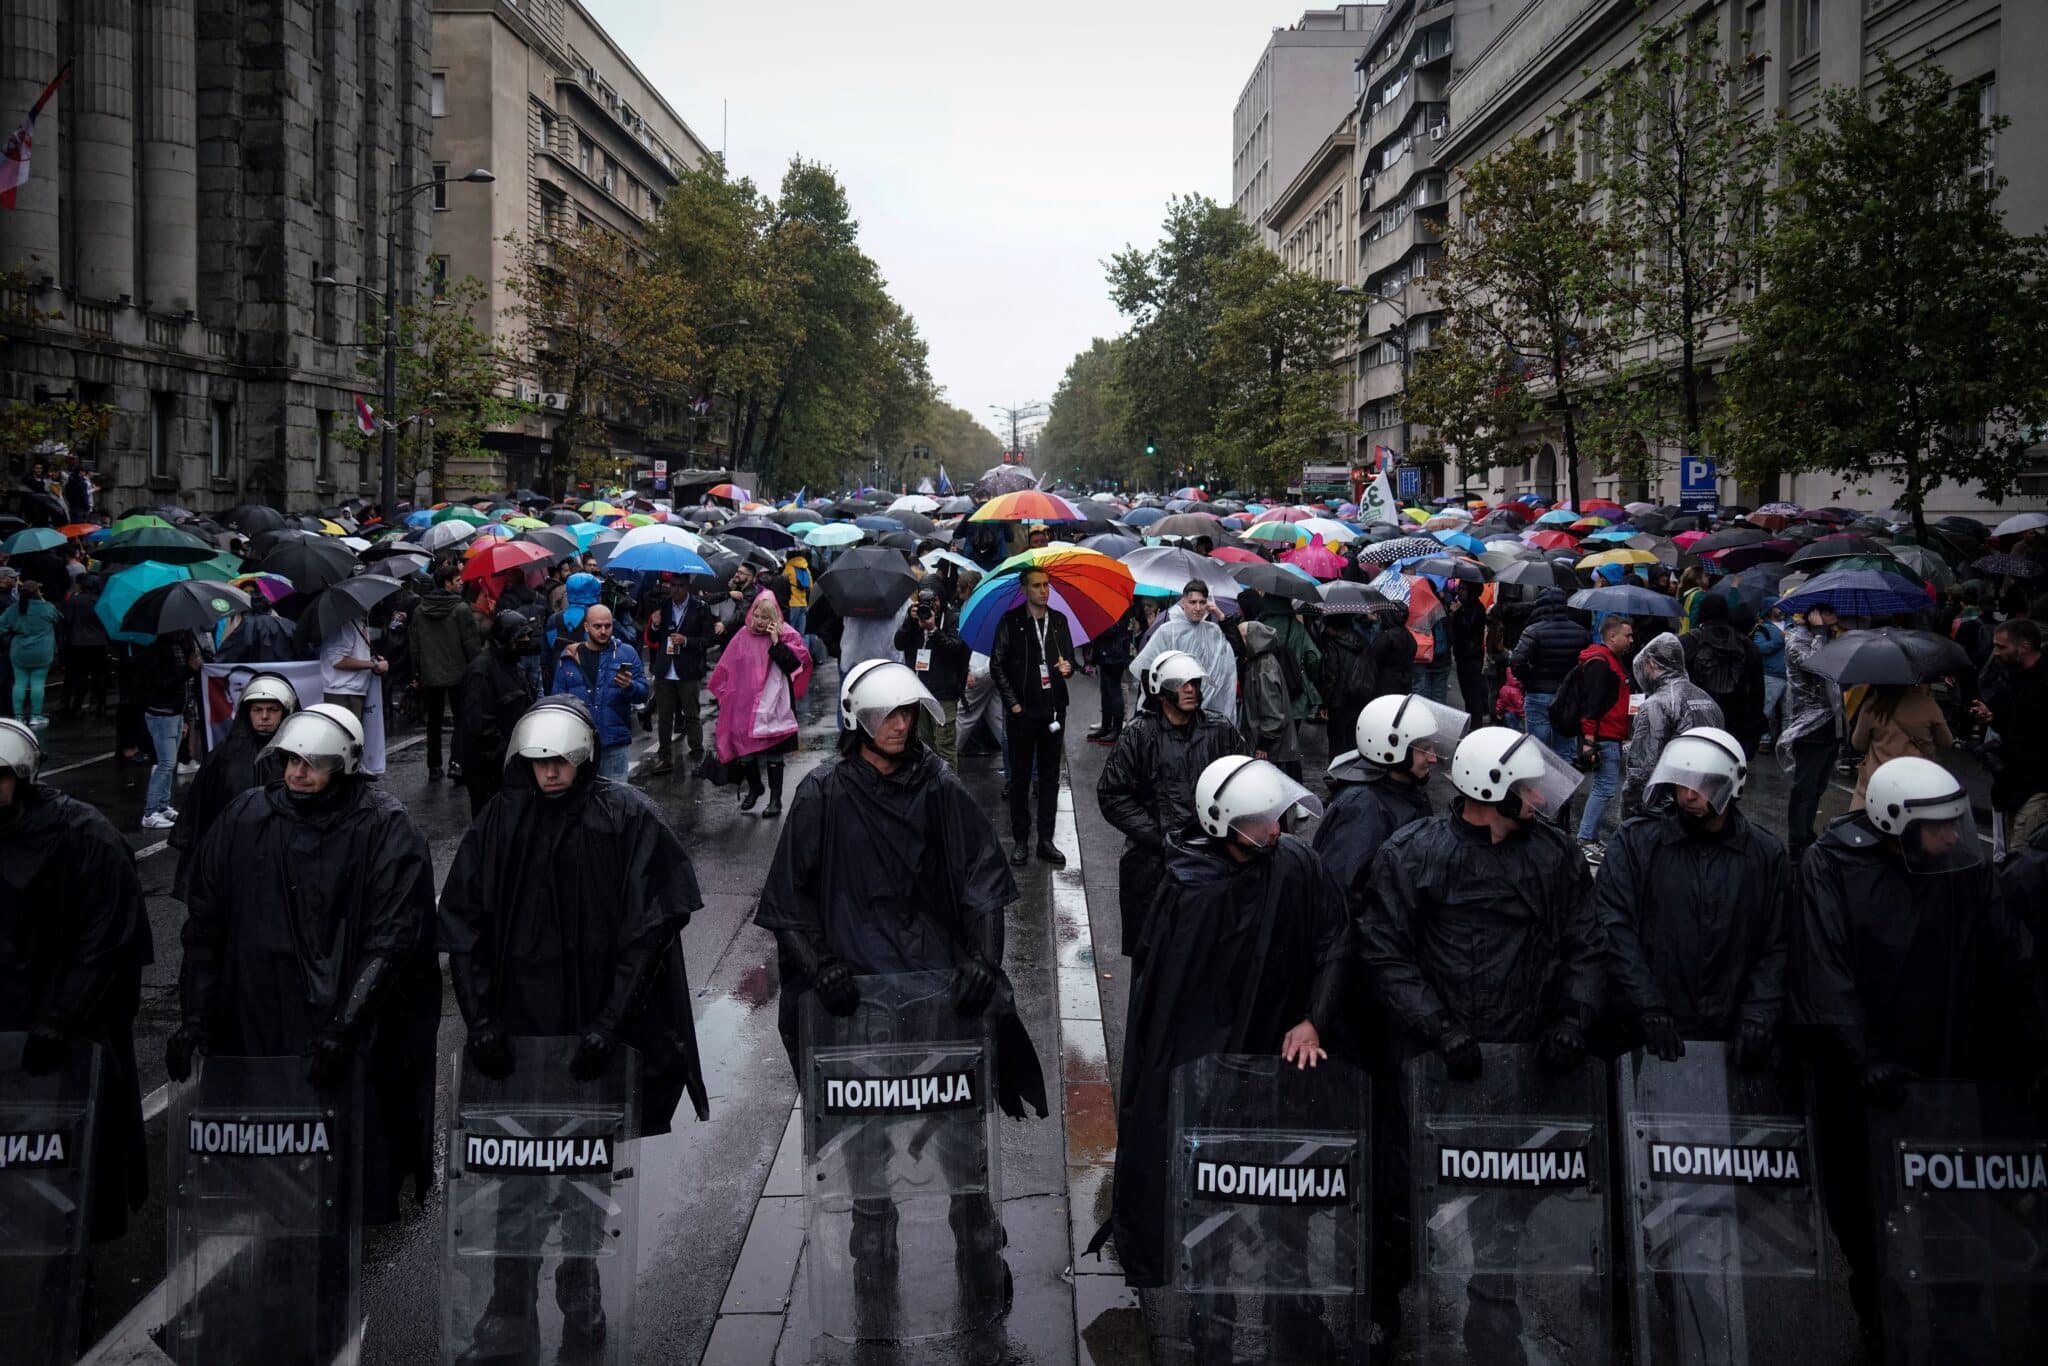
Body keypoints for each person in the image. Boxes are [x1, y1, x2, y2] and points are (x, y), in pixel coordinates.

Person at [755, 661, 1045, 1308]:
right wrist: (818, 964)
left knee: (960, 1137)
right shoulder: (823, 794)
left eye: (909, 713)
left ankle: (978, 1243)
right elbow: (789, 904)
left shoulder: (939, 787)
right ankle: (871, 1260)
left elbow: (982, 884)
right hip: (857, 999)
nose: (901, 724)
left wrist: (984, 963)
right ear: (859, 718)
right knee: (865, 1146)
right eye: (889, 714)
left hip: (936, 991)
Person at [438, 696, 709, 1357]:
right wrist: (481, 1022)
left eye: (559, 760)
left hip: (592, 1032)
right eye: (538, 762)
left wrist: (610, 1025)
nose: (549, 773)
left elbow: (650, 930)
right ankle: (507, 1306)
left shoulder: (625, 818)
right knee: (514, 1173)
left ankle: (581, 1293)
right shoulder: (500, 823)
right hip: (520, 1033)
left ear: (582, 756)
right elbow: (464, 926)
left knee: (585, 1171)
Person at [1358, 726, 1600, 1360]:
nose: (1541, 798)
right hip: (1436, 1063)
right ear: (1490, 788)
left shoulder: (1554, 855)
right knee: (1406, 1191)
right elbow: (1384, 951)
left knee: (1505, 1196)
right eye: (1526, 787)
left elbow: (1583, 942)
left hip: (1519, 1056)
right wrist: (1438, 1029)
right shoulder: (1415, 853)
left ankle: (1492, 1307)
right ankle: (1384, 1304)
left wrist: (1572, 1016)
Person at [1795, 756, 2046, 1345]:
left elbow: (2010, 956)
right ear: (1894, 822)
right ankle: (1878, 1326)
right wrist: (1861, 1057)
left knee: (1955, 1213)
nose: (1953, 834)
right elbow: (1826, 971)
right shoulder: (1832, 865)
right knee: (1864, 1213)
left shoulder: (1964, 870)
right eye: (1938, 825)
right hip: (1871, 1079)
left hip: (1946, 1070)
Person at [171, 703, 440, 1224]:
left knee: (343, 1166)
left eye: (312, 762)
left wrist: (345, 1026)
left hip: (338, 1028)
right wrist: (195, 1015)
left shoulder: (384, 827)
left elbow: (393, 938)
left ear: (344, 764)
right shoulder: (247, 816)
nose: (297, 771)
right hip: (258, 1013)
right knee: (264, 1159)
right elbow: (205, 924)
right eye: (291, 759)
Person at [1107, 756, 1347, 1297]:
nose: (1277, 829)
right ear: (1227, 825)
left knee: (1282, 1190)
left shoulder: (1295, 865)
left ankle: (1288, 1295)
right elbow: (1169, 1007)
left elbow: (1334, 939)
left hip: (1279, 1059)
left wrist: (1314, 1018)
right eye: (1263, 820)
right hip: (1208, 1070)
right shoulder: (1191, 889)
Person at [0, 717, 153, 1245]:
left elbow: (110, 937)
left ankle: (77, 1264)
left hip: (70, 1025)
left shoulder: (84, 835)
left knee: (77, 1148)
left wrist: (62, 1017)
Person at [1595, 726, 1789, 1065]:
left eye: (1703, 783)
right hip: (1650, 1038)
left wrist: (1758, 1013)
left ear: (1731, 785)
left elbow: (1778, 942)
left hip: (1732, 1041)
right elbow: (1613, 926)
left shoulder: (1765, 855)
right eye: (1681, 781)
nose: (1689, 795)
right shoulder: (1636, 842)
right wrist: (1647, 1005)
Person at [1095, 650, 1248, 960]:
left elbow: (1242, 782)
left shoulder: (1219, 730)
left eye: (1194, 682)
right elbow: (1112, 794)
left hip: (1211, 860)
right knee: (1154, 959)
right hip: (1154, 867)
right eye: (1181, 683)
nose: (1190, 689)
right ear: (1161, 690)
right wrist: (1158, 835)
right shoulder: (1138, 734)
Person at [168, 672, 298, 900]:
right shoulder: (223, 757)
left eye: (273, 710)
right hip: (234, 858)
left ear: (286, 711)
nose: (265, 717)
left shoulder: (299, 756)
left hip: (286, 860)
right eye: (258, 710)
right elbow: (200, 813)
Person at [990, 566, 1075, 867]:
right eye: (1037, 585)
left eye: (1046, 585)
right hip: (1022, 712)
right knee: (1020, 778)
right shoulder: (1012, 622)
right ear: (1024, 589)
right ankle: (1021, 840)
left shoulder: (1059, 621)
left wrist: (1068, 668)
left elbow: (1069, 661)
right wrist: (1013, 704)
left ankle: (1046, 839)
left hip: (1053, 710)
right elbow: (996, 665)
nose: (1043, 590)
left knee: (1050, 777)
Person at [706, 592, 812, 816]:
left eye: (766, 617)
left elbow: (795, 666)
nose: (760, 621)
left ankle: (775, 800)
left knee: (774, 753)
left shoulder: (787, 635)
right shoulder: (743, 635)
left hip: (774, 705)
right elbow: (728, 665)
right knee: (745, 751)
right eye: (757, 615)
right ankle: (755, 787)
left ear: (775, 617)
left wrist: (776, 643)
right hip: (745, 703)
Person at [1622, 630, 1725, 819]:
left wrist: (1630, 814)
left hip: (1667, 811)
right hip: (1705, 801)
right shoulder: (1706, 698)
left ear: (1652, 663)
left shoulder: (1656, 704)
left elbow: (1641, 769)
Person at [1971, 618, 2048, 852]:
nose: (1995, 653)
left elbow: (2030, 728)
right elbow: (2013, 722)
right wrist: (1991, 718)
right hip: (2011, 782)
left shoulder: (2042, 682)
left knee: (2022, 856)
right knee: (2010, 854)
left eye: (2001, 647)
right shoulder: (2013, 676)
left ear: (2023, 647)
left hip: (2037, 783)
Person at [455, 610, 540, 816]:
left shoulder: (513, 666)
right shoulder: (481, 672)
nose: (525, 641)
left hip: (511, 762)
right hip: (489, 768)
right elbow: (479, 725)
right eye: (519, 637)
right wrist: (506, 755)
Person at [549, 604, 648, 781]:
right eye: (597, 626)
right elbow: (558, 703)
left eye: (607, 626)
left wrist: (630, 686)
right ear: (586, 627)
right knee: (582, 803)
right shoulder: (568, 658)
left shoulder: (626, 653)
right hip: (579, 746)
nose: (603, 631)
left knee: (615, 802)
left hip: (614, 744)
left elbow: (643, 694)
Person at [1781, 603, 1846, 862]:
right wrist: (1820, 632)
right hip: (1809, 726)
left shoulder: (1832, 638)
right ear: (1815, 615)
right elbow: (1815, 665)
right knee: (1805, 786)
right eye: (1829, 612)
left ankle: (1806, 832)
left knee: (1818, 785)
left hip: (1831, 723)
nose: (1835, 616)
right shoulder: (1798, 639)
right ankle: (1798, 839)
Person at [410, 561, 481, 781]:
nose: (461, 584)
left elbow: (414, 644)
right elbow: (471, 644)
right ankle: (456, 762)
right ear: (447, 583)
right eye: (458, 580)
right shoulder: (460, 609)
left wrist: (416, 673)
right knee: (461, 719)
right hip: (459, 674)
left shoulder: (420, 610)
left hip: (430, 675)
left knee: (434, 721)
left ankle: (433, 766)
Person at [1573, 615, 1635, 862]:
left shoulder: (1612, 660)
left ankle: (1589, 837)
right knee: (1604, 788)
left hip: (1611, 734)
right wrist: (1589, 740)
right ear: (1612, 636)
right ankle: (1585, 839)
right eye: (1627, 635)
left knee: (1605, 788)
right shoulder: (1602, 663)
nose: (1631, 640)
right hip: (1604, 736)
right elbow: (1591, 704)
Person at [1128, 580, 1237, 720]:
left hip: (1203, 711)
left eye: (1202, 602)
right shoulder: (1168, 631)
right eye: (1192, 602)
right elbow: (1147, 671)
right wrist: (1163, 705)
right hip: (1171, 710)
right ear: (1183, 603)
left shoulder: (1213, 632)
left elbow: (1235, 651)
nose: (1198, 607)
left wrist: (1221, 617)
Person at [892, 584, 970, 766]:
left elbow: (954, 649)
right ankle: (929, 789)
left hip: (944, 693)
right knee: (923, 745)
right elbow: (898, 643)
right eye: (925, 601)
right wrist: (909, 623)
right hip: (919, 691)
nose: (930, 605)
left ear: (941, 600)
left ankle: (949, 791)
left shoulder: (953, 618)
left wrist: (934, 630)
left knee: (945, 746)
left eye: (934, 600)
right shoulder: (914, 617)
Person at [642, 577, 713, 774]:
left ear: (687, 587)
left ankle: (697, 755)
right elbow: (653, 640)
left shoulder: (700, 608)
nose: (676, 590)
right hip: (665, 670)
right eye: (672, 586)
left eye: (680, 586)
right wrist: (655, 625)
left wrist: (687, 641)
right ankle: (664, 757)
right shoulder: (662, 607)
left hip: (688, 670)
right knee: (664, 717)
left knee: (691, 715)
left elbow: (708, 638)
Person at [1681, 593, 1766, 757]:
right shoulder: (1746, 645)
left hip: (1698, 719)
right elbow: (1757, 689)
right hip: (1737, 720)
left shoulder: (1689, 641)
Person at [1508, 587, 1587, 758]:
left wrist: (1528, 679)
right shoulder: (1581, 633)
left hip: (1539, 693)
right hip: (1568, 697)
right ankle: (1564, 784)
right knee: (1565, 751)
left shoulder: (1533, 631)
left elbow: (1516, 661)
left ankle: (1538, 784)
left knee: (1537, 750)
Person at [1848, 683, 1953, 809]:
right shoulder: (1928, 705)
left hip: (1876, 783)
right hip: (1914, 786)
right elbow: (1946, 741)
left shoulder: (1874, 705)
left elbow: (1858, 744)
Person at [138, 630, 200, 831]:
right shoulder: (156, 652)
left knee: (169, 763)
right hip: (161, 713)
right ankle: (150, 812)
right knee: (165, 763)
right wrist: (189, 670)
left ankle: (162, 806)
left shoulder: (178, 646)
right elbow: (161, 684)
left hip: (174, 712)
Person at [0, 573, 62, 727]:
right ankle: (36, 716)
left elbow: (1, 627)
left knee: (19, 683)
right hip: (42, 651)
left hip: (19, 650)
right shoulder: (47, 608)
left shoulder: (14, 609)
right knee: (37, 683)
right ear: (37, 592)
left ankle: (18, 716)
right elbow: (59, 618)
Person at [1085, 602, 1141, 746]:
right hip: (1106, 652)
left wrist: (1095, 629)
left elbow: (1116, 628)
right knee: (1106, 691)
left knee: (1114, 691)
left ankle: (1116, 729)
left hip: (1115, 653)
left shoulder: (1121, 604)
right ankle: (1106, 726)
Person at [1748, 605, 1786, 752]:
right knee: (1767, 710)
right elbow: (1760, 648)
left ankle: (1785, 742)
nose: (1781, 609)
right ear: (1770, 610)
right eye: (1777, 606)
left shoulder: (1791, 624)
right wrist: (1779, 641)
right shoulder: (1763, 628)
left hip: (1789, 674)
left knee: (1788, 712)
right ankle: (1764, 739)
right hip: (1772, 675)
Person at [781, 547, 814, 635]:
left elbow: (782, 584)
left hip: (792, 604)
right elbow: (810, 586)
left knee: (790, 633)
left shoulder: (788, 568)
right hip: (803, 604)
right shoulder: (806, 569)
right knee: (800, 634)